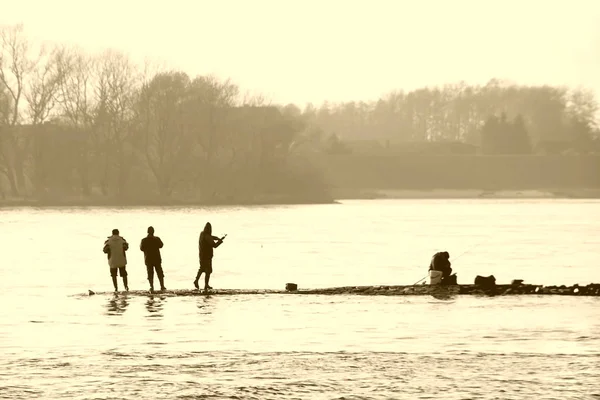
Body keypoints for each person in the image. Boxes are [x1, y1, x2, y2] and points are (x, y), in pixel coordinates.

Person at [193, 222, 226, 291]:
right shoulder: (207, 236)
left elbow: (209, 237)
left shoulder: (202, 234)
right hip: (207, 256)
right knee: (208, 270)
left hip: (201, 255)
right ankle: (206, 285)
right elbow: (214, 245)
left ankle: (196, 281)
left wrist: (216, 237)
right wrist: (220, 241)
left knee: (202, 268)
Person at [140, 226, 165, 293]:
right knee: (159, 272)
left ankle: (151, 286)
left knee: (150, 273)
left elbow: (141, 248)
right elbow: (161, 245)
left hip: (148, 258)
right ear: (153, 232)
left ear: (147, 232)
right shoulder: (156, 239)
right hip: (156, 258)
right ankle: (162, 286)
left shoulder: (144, 240)